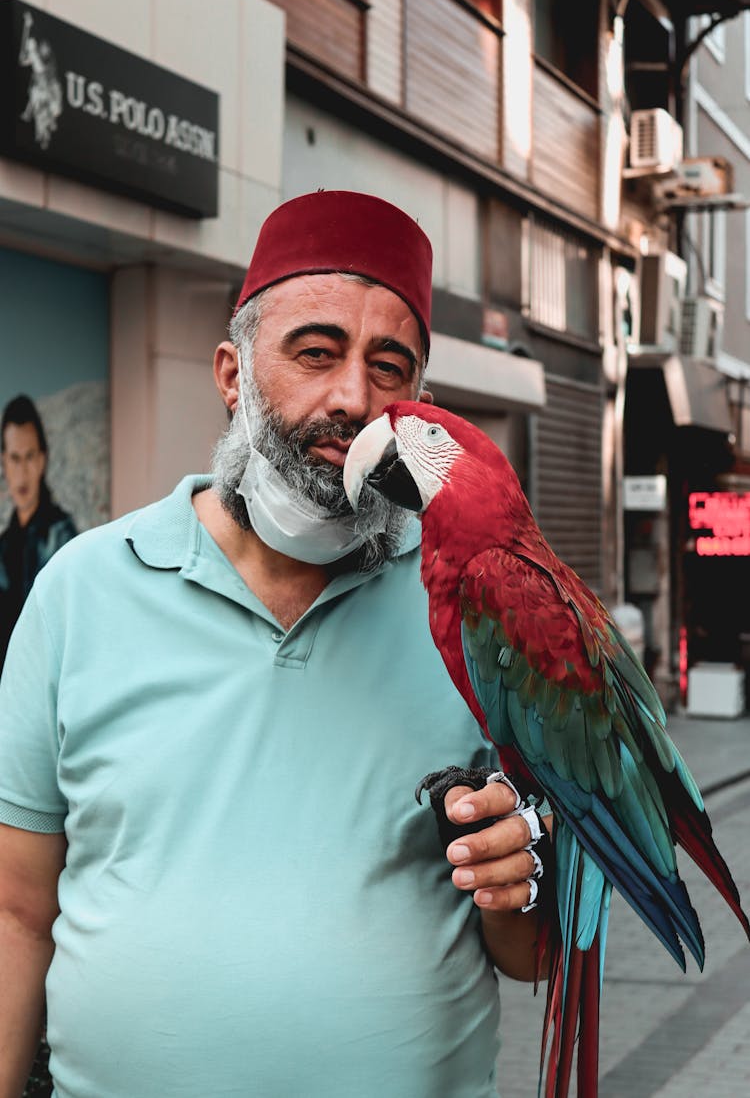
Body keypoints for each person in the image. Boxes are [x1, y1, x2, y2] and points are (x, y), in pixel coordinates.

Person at [0, 191, 553, 1098]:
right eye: (316, 352)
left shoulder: (483, 612)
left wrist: (518, 875)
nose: (352, 399)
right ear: (231, 373)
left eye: (389, 366)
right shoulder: (81, 590)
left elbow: (532, 955)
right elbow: (16, 912)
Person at [0, 395, 76, 672]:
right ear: (4, 463)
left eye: (30, 457)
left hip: (44, 688)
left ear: (42, 460)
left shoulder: (61, 535)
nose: (22, 471)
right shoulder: (5, 545)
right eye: (15, 458)